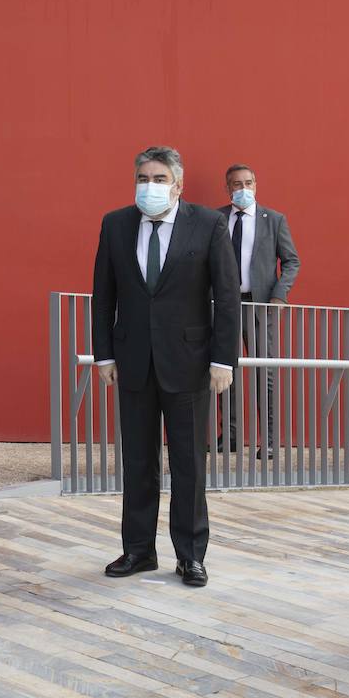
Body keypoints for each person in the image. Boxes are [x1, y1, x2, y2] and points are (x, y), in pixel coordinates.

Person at [91, 146, 240, 588]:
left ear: (178, 185)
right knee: (138, 461)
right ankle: (138, 551)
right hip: (133, 361)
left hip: (190, 364)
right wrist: (104, 354)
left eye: (158, 179)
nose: (149, 186)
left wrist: (222, 360)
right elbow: (104, 294)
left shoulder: (209, 224)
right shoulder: (116, 224)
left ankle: (190, 554)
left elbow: (227, 298)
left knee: (189, 463)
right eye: (142, 177)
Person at [216, 164, 300, 456]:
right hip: (225, 306)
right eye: (236, 184)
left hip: (260, 306)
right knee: (225, 369)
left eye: (248, 182)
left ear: (256, 184)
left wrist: (279, 296)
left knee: (265, 372)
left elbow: (291, 261)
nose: (243, 189)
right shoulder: (216, 219)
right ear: (228, 188)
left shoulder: (273, 220)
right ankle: (231, 436)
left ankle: (270, 441)